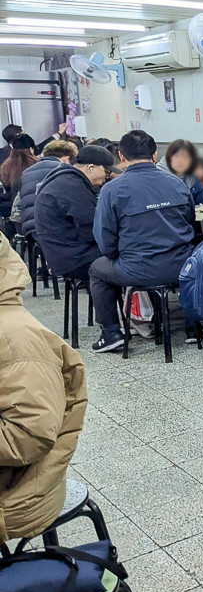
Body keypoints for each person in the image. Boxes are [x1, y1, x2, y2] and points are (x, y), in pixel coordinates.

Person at [0, 232, 87, 542]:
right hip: (73, 261)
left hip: (15, 495)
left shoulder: (15, 338)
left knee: (103, 272)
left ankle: (114, 330)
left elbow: (30, 434)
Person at [89, 130, 197, 353]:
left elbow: (106, 243)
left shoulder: (111, 190)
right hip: (182, 266)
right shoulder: (177, 184)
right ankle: (193, 327)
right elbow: (190, 223)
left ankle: (111, 333)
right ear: (155, 155)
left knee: (97, 269)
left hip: (137, 269)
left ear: (122, 157)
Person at [33, 145, 119, 282]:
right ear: (91, 168)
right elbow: (93, 230)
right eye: (107, 173)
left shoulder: (65, 181)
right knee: (130, 261)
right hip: (74, 258)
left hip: (63, 253)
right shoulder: (73, 188)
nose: (106, 178)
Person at [18, 139, 78, 242]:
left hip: (30, 229)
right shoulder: (63, 170)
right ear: (67, 159)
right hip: (53, 229)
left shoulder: (26, 172)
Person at [0, 134, 38, 235]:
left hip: (13, 213)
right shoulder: (35, 165)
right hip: (32, 211)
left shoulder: (5, 167)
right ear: (31, 149)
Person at [158, 139, 202, 203]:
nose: (180, 160)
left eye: (185, 157)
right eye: (176, 156)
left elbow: (201, 202)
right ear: (169, 157)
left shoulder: (193, 178)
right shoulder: (158, 176)